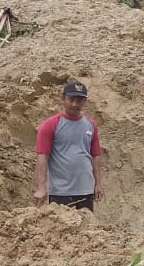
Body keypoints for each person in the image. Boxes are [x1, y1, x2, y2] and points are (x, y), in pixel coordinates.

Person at [34, 81, 104, 212]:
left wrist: (98, 184)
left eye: (79, 100)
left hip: (86, 190)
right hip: (61, 192)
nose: (74, 104)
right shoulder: (50, 125)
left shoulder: (91, 125)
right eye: (71, 99)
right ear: (63, 99)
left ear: (85, 102)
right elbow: (42, 157)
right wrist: (41, 187)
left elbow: (95, 156)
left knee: (86, 230)